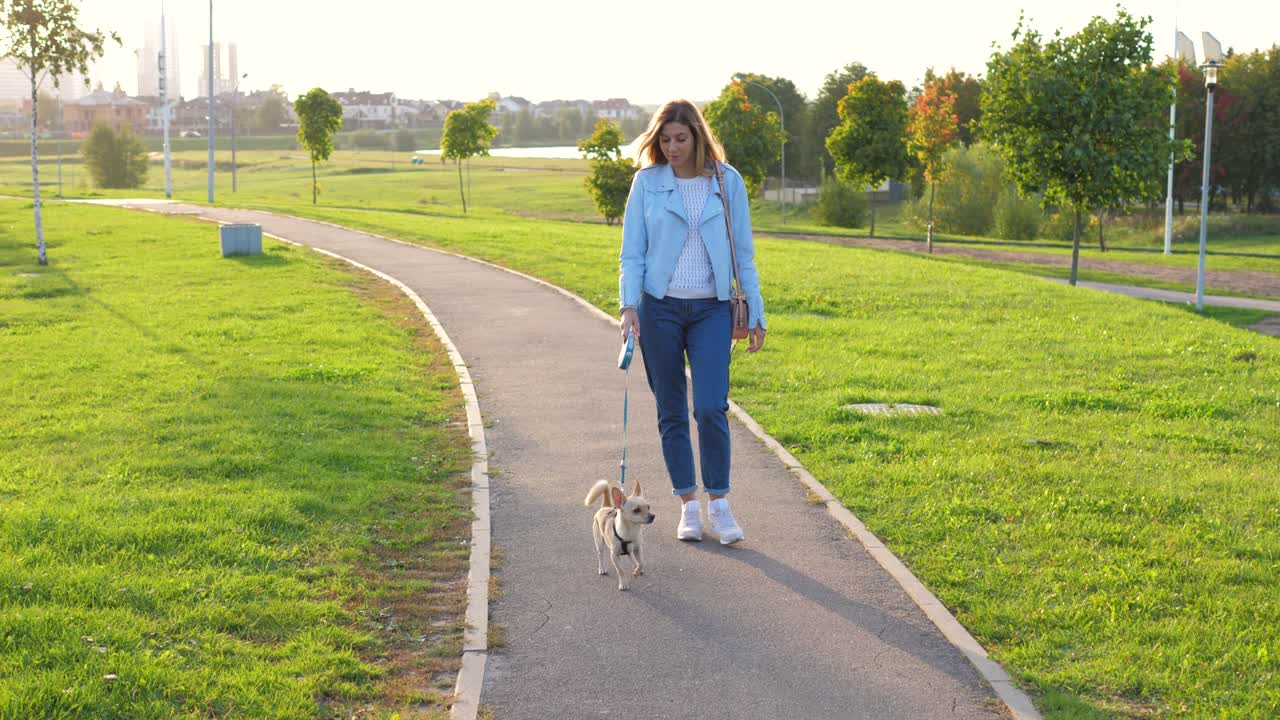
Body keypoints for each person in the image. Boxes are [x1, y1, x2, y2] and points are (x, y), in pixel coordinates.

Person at [617, 99, 766, 545]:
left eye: (681, 138)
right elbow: (632, 253)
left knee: (710, 406)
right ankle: (688, 506)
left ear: (698, 136)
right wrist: (628, 306)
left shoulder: (727, 181)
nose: (673, 147)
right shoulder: (647, 183)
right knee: (671, 410)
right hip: (658, 309)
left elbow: (744, 254)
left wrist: (756, 312)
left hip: (712, 310)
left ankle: (719, 504)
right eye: (665, 139)